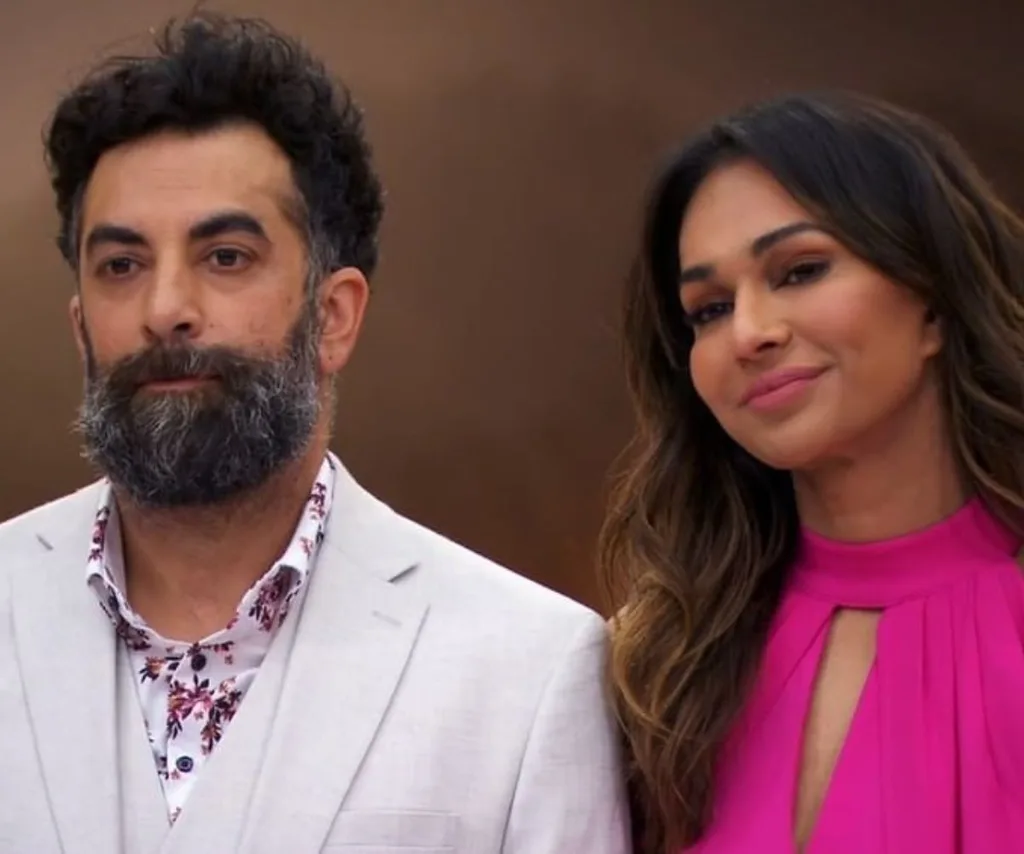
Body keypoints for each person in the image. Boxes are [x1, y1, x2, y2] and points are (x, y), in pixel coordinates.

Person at [0, 13, 630, 854]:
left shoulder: (527, 665)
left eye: (225, 256)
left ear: (333, 317)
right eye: (122, 265)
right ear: (82, 329)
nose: (165, 308)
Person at [600, 90, 1024, 854]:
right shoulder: (659, 667)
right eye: (708, 309)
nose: (750, 333)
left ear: (932, 299)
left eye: (800, 271)